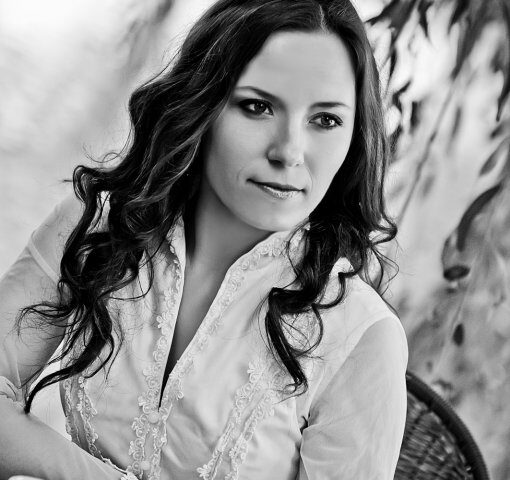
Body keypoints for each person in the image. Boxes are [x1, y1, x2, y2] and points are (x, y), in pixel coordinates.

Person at [0, 0, 408, 479]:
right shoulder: (97, 227)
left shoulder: (361, 336)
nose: (289, 152)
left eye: (326, 120)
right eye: (257, 107)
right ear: (200, 104)